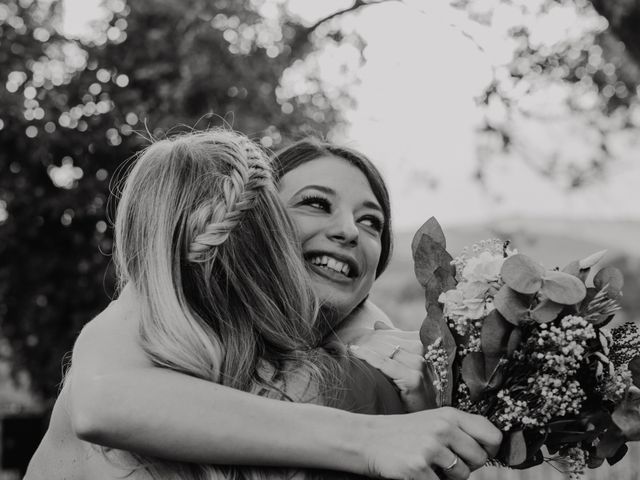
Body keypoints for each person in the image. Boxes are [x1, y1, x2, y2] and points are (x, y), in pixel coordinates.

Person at [26, 131, 501, 479]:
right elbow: (103, 402)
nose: (350, 231)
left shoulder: (375, 365)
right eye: (316, 203)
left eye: (371, 222)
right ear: (257, 223)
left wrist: (413, 409)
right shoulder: (162, 309)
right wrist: (372, 438)